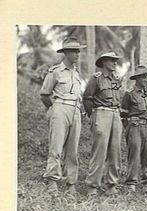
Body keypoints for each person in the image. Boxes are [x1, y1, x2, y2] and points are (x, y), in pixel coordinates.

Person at [40, 36, 86, 195]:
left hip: (75, 110)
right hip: (60, 108)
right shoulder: (56, 71)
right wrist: (54, 109)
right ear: (65, 53)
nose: (77, 54)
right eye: (74, 51)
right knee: (56, 147)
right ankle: (52, 182)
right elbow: (45, 94)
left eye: (78, 51)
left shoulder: (76, 73)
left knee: (72, 151)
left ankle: (71, 183)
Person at [83, 50, 122, 196]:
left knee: (115, 151)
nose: (115, 63)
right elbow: (87, 97)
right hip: (101, 113)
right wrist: (92, 116)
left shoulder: (117, 79)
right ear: (104, 62)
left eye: (115, 60)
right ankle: (93, 185)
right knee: (99, 151)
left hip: (115, 114)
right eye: (112, 60)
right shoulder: (96, 78)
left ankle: (111, 185)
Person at [120, 65, 147, 194]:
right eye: (144, 76)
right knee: (134, 156)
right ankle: (131, 185)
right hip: (135, 127)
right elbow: (123, 114)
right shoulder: (129, 94)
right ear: (137, 78)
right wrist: (129, 128)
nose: (146, 78)